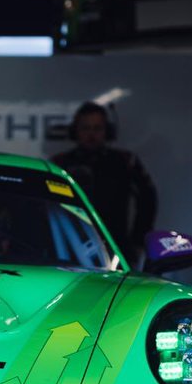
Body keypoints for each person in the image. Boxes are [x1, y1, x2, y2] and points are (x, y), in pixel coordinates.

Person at [51, 101, 157, 265]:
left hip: (116, 245)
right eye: (86, 128)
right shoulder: (60, 164)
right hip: (69, 245)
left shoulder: (125, 162)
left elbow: (148, 199)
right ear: (75, 131)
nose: (91, 134)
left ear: (107, 131)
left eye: (97, 128)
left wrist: (138, 240)